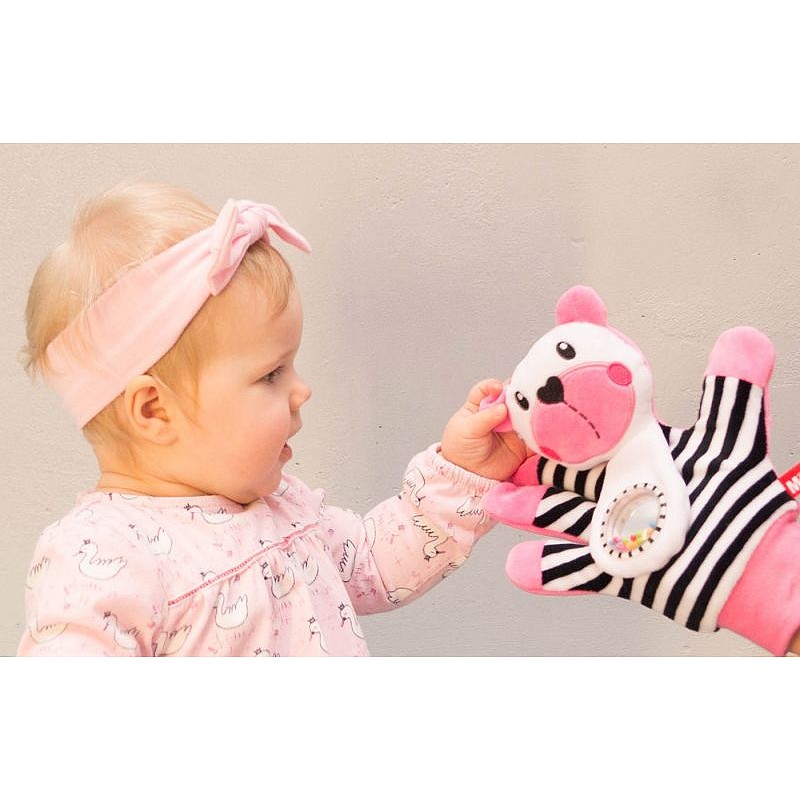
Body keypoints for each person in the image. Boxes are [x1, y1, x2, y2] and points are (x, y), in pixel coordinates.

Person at [17, 181, 527, 656]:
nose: (302, 390)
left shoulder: (285, 510)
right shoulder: (101, 556)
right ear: (154, 410)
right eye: (271, 374)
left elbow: (377, 562)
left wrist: (465, 471)